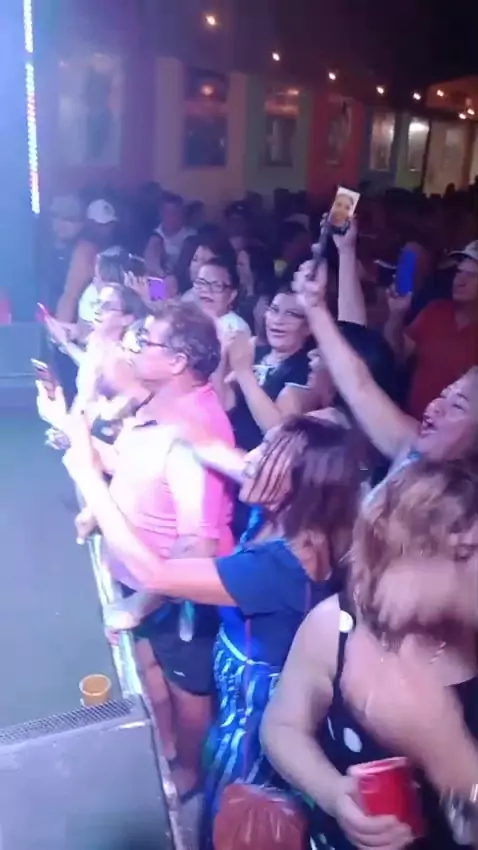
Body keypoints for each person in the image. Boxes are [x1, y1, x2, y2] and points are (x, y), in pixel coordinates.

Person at [65, 414, 361, 848]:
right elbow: (203, 440)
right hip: (247, 691)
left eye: (267, 453)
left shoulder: (279, 566)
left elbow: (156, 574)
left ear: (297, 483)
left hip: (259, 714)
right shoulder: (296, 516)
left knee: (238, 815)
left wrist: (90, 478)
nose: (251, 457)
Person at [262, 457, 478, 850]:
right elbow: (282, 727)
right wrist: (333, 793)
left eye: (466, 553)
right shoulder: (336, 625)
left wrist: (447, 752)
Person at [67, 302, 235, 804]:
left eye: (147, 342)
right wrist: (97, 480)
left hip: (173, 596)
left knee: (188, 690)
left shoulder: (198, 427)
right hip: (141, 578)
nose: (135, 350)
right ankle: (163, 748)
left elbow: (198, 543)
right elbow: (139, 468)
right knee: (150, 671)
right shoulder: (160, 404)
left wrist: (141, 603)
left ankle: (189, 771)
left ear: (178, 360)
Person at [292, 263, 478, 469]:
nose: (435, 407)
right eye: (443, 395)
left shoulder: (460, 490)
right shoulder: (411, 449)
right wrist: (314, 306)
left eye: (457, 406)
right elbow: (359, 385)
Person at [385, 241, 478, 419]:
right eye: (459, 272)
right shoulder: (436, 310)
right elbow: (397, 353)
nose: (459, 281)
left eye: (472, 275)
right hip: (411, 422)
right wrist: (396, 315)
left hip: (454, 433)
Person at [191, 255, 250, 340]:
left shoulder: (236, 329)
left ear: (232, 295)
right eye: (201, 283)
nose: (206, 289)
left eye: (217, 285)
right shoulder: (185, 318)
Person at [145, 193, 194, 273]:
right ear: (161, 213)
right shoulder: (154, 235)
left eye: (175, 213)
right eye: (166, 212)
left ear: (182, 213)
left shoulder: (190, 236)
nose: (170, 217)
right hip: (159, 277)